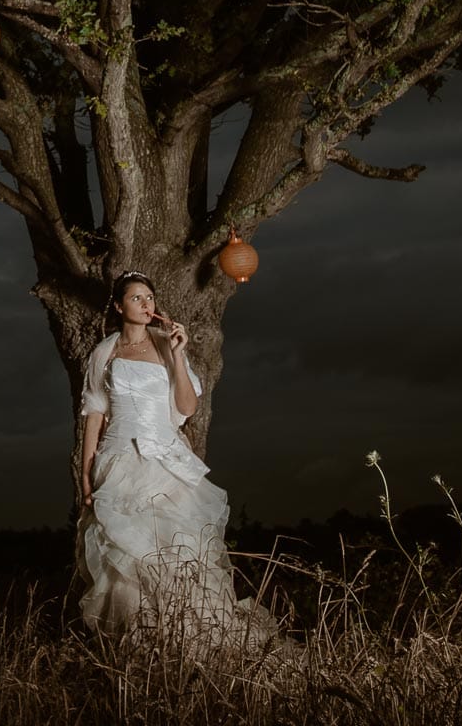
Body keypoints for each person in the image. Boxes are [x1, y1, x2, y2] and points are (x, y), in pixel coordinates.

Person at [75, 270, 278, 653]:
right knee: (129, 557)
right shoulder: (105, 352)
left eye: (150, 297)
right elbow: (95, 415)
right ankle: (142, 646)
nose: (146, 304)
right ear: (119, 306)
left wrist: (180, 355)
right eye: (137, 298)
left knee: (179, 549)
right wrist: (87, 476)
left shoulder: (167, 344)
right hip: (120, 460)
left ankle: (191, 640)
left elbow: (187, 407)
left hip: (165, 459)